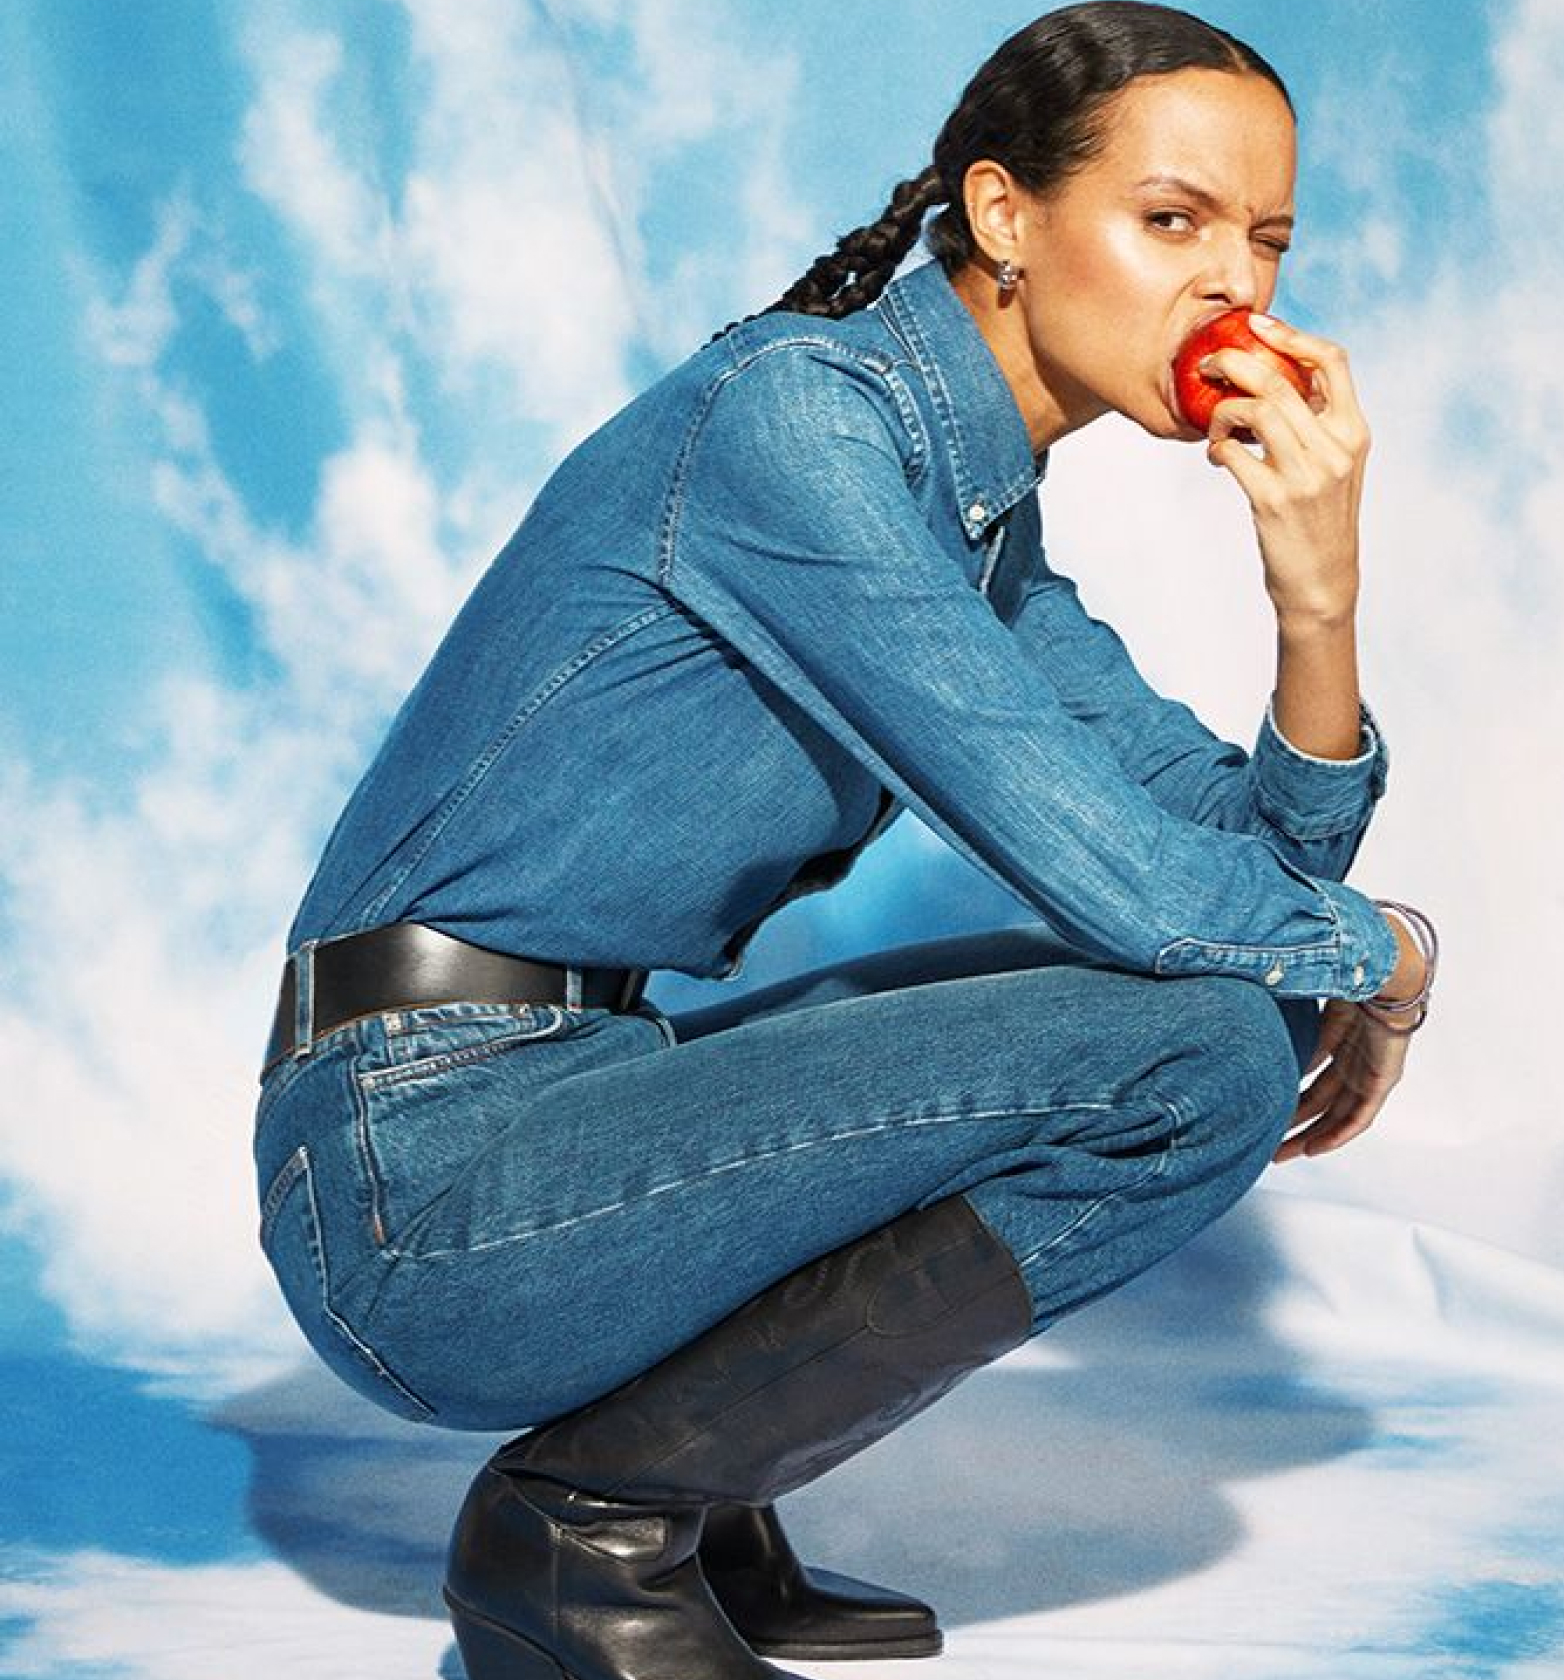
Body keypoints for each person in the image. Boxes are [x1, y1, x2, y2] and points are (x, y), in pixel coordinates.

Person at [251, 3, 1440, 1676]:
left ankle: (699, 1479)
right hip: (415, 1177)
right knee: (1198, 1045)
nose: (1234, 286)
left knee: (1232, 1009)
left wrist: (1317, 596)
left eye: (1265, 239)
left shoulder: (971, 525)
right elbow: (1138, 890)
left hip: (574, 1091)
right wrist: (1393, 961)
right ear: (1007, 217)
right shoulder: (797, 430)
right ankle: (584, 1529)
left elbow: (1240, 870)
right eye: (1173, 222)